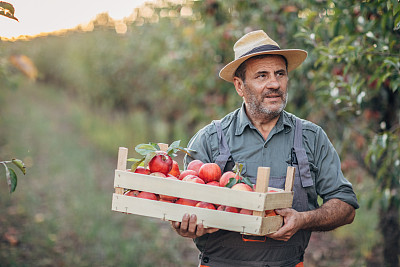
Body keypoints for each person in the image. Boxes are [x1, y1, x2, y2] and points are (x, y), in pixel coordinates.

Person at [171, 30, 359, 267]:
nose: (274, 83)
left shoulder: (311, 137)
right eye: (262, 75)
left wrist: (302, 219)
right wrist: (185, 226)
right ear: (240, 86)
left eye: (280, 74)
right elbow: (184, 208)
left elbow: (345, 205)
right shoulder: (209, 139)